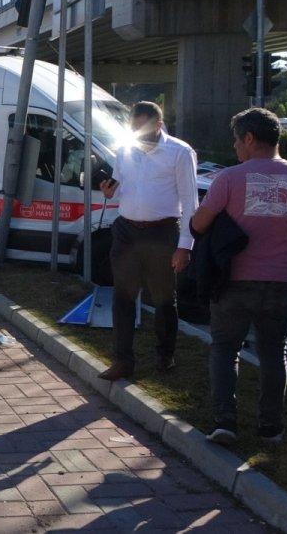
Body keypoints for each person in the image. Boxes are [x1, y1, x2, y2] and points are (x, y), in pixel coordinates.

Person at [192, 108, 287, 444]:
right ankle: (271, 427)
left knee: (224, 348)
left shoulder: (229, 178)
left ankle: (225, 422)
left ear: (249, 139)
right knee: (273, 352)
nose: (236, 148)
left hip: (234, 281)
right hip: (282, 281)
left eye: (237, 141)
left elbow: (199, 224)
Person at [97, 101, 198, 380]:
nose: (138, 135)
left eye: (144, 128)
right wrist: (109, 191)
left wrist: (185, 246)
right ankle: (122, 361)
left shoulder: (179, 152)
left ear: (159, 125)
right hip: (127, 232)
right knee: (123, 296)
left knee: (164, 299)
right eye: (134, 129)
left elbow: (191, 201)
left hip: (162, 233)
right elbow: (118, 184)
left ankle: (165, 355)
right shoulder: (125, 148)